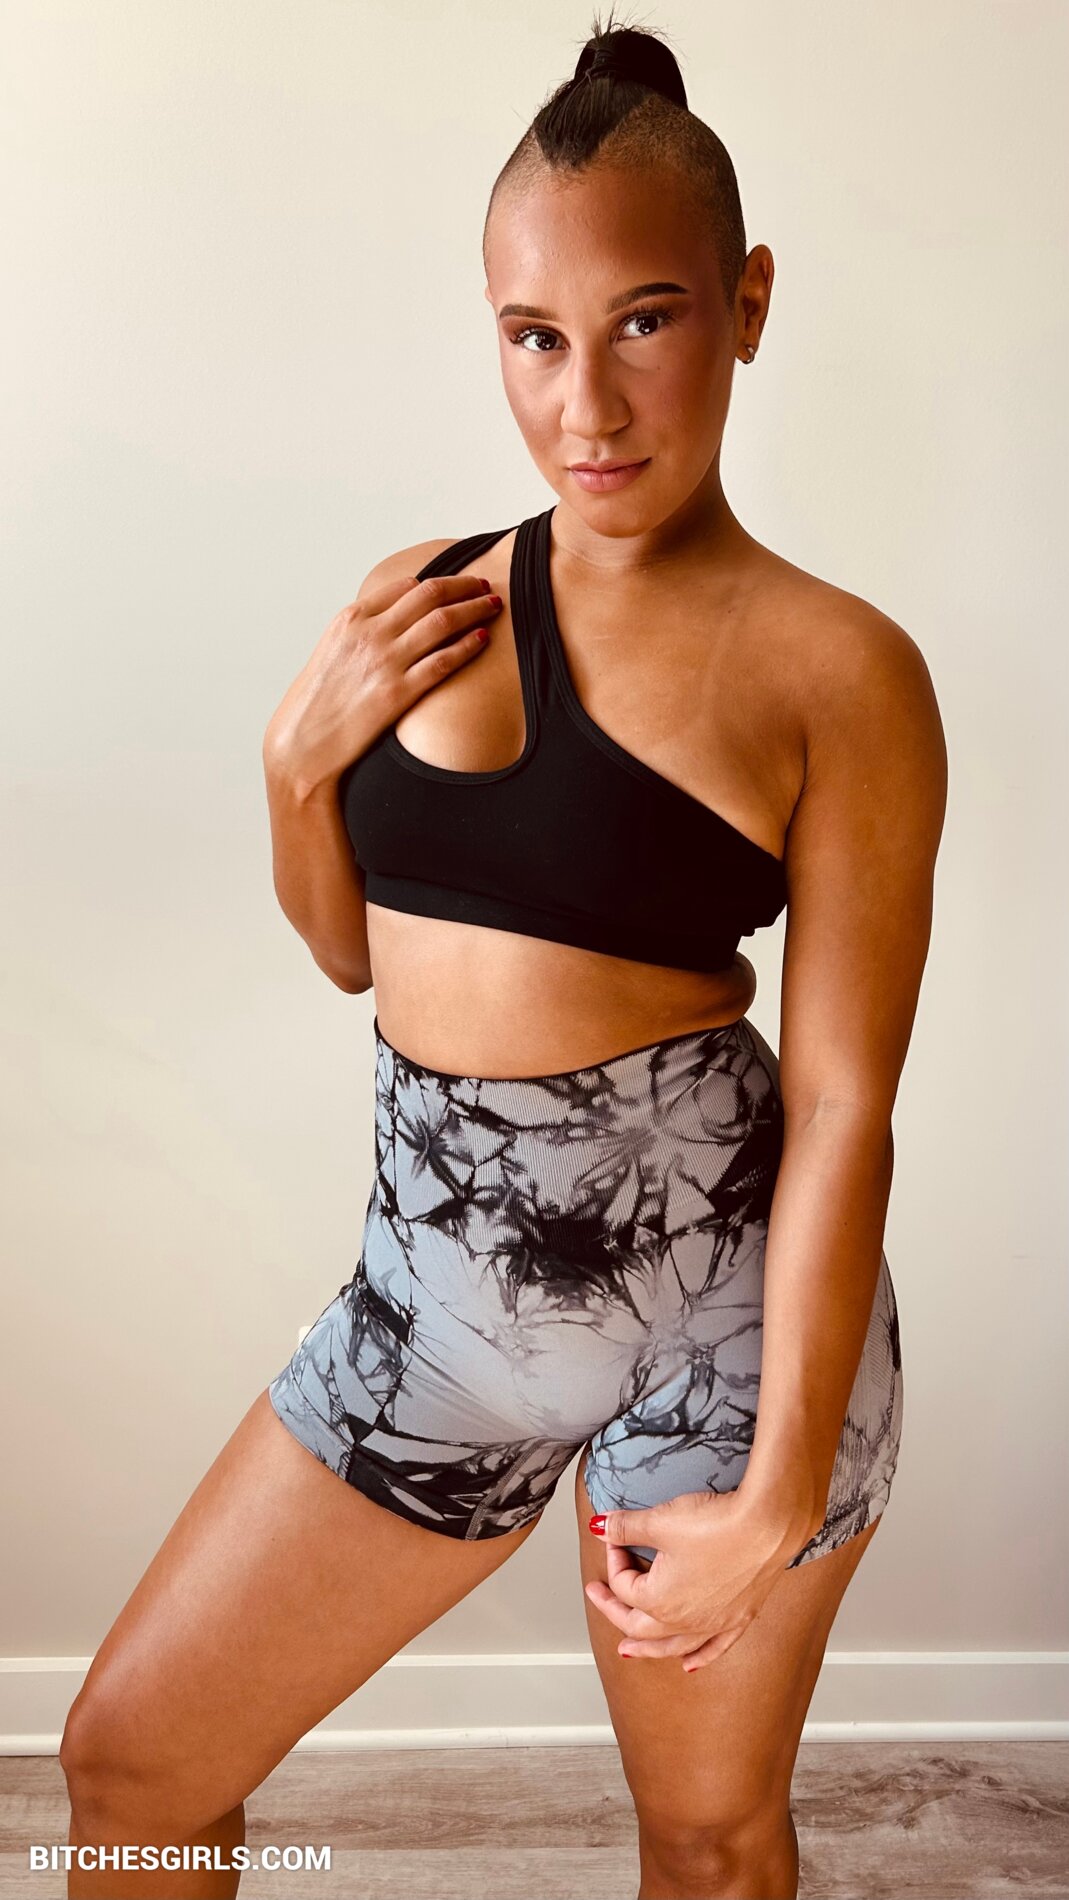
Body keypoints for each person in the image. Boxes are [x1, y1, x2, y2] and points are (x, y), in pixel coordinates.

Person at [58, 13, 947, 1899]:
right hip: (432, 1309)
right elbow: (353, 957)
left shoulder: (838, 669)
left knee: (706, 1842)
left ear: (745, 303)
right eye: (535, 338)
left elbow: (844, 1105)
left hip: (718, 1329)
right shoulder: (427, 597)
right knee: (131, 1768)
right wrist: (292, 767)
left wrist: (780, 1490)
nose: (587, 407)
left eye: (644, 320)